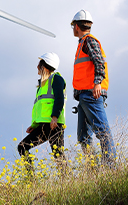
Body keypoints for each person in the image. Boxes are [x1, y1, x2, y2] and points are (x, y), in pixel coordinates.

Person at [71, 10, 116, 164]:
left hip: (92, 94)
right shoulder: (84, 42)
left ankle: (110, 167)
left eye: (73, 26)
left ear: (76, 26)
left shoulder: (89, 41)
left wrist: (97, 82)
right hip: (85, 96)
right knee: (83, 136)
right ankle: (93, 169)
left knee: (102, 131)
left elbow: (99, 62)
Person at [18, 52, 66, 167]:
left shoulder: (57, 79)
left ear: (44, 66)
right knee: (22, 147)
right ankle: (31, 180)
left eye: (39, 64)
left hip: (54, 124)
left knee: (58, 155)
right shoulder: (42, 85)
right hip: (43, 125)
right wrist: (34, 125)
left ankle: (66, 180)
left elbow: (59, 99)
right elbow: (42, 108)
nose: (37, 67)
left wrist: (54, 117)